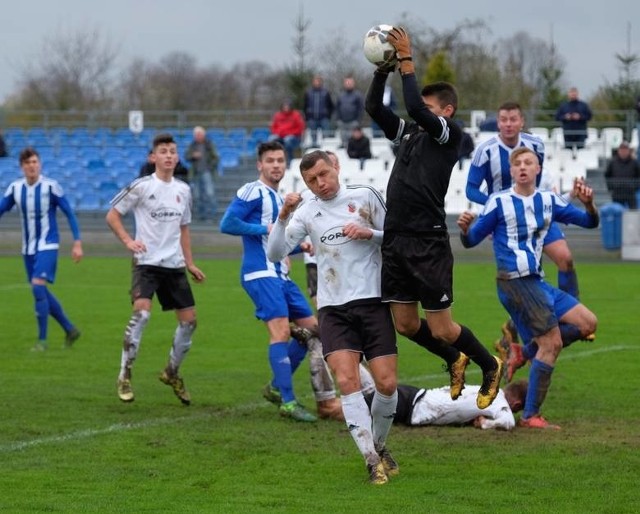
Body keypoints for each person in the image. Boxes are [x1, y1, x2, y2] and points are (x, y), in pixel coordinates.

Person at [365, 26, 503, 410]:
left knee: (443, 326)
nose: (422, 111)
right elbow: (375, 109)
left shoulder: (449, 135)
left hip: (427, 241)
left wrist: (407, 61)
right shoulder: (410, 133)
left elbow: (413, 107)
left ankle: (489, 364)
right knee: (406, 325)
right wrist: (382, 69)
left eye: (430, 107)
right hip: (395, 238)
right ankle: (452, 358)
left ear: (446, 111)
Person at [267, 150, 399, 485]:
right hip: (334, 309)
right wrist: (283, 217)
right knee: (347, 382)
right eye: (312, 180)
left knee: (386, 385)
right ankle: (371, 460)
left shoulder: (365, 196)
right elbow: (275, 252)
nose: (320, 184)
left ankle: (380, 445)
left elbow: (398, 237)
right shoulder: (307, 211)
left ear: (336, 167)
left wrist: (371, 234)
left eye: (324, 174)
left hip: (373, 303)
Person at [457, 147, 599, 429]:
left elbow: (590, 222)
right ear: (511, 171)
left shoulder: (548, 200)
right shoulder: (499, 202)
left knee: (587, 323)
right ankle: (531, 415)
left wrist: (589, 204)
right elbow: (471, 240)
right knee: (553, 343)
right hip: (514, 281)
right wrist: (464, 229)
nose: (522, 167)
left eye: (528, 162)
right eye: (517, 163)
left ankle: (523, 353)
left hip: (537, 281)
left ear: (538, 169)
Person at [219, 141, 337, 423]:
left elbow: (276, 242)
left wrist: (301, 247)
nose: (276, 165)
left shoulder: (279, 196)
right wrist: (265, 227)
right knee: (281, 332)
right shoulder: (252, 190)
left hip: (281, 276)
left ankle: (275, 386)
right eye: (270, 160)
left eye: (280, 160)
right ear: (260, 164)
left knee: (315, 332)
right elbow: (227, 223)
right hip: (260, 273)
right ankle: (287, 401)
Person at [466, 102, 584, 348]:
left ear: (521, 122)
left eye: (513, 119)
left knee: (565, 258)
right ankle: (521, 339)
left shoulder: (535, 145)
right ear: (498, 123)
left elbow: (537, 182)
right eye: (504, 120)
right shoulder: (485, 151)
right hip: (505, 222)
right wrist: (498, 208)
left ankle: (569, 317)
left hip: (537, 212)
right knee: (526, 278)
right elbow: (470, 189)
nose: (508, 124)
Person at [106, 133, 206, 405]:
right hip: (146, 263)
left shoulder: (184, 190)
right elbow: (112, 215)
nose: (169, 155)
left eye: (173, 151)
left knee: (189, 322)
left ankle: (172, 372)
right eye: (163, 151)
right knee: (142, 315)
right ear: (153, 157)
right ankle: (124, 374)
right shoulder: (141, 187)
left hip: (173, 265)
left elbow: (183, 229)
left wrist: (190, 263)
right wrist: (128, 241)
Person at [0, 147, 83, 351]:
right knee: (40, 290)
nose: (32, 166)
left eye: (35, 162)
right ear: (22, 167)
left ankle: (42, 341)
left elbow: (69, 213)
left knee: (37, 286)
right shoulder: (15, 188)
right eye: (28, 163)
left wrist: (77, 242)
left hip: (48, 243)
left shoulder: (51, 187)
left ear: (40, 164)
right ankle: (70, 329)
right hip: (27, 248)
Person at [185, 126, 219, 221]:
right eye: (196, 135)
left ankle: (212, 214)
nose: (198, 136)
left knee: (210, 193)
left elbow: (216, 158)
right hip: (195, 173)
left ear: (203, 135)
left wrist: (210, 166)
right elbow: (186, 156)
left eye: (199, 134)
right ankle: (201, 215)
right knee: (197, 195)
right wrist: (193, 155)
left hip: (207, 172)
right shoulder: (192, 145)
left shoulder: (209, 145)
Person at [268, 100, 305, 166]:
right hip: (280, 135)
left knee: (288, 140)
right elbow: (273, 127)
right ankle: (273, 159)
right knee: (271, 139)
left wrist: (288, 133)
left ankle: (289, 161)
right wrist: (278, 133)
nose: (286, 108)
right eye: (284, 107)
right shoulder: (277, 115)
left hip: (293, 137)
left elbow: (300, 128)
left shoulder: (296, 115)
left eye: (287, 107)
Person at [604, 141, 640, 208]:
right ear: (618, 151)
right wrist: (611, 187)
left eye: (625, 149)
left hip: (630, 192)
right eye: (622, 149)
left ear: (629, 151)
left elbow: (638, 176)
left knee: (633, 212)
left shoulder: (634, 163)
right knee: (617, 212)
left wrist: (635, 187)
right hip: (617, 192)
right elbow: (607, 175)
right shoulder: (612, 162)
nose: (624, 151)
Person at [303, 75, 334, 148]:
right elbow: (305, 105)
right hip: (312, 118)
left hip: (324, 118)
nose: (317, 83)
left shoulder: (326, 92)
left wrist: (328, 115)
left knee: (325, 135)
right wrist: (307, 116)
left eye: (318, 81)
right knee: (313, 135)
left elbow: (331, 105)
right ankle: (314, 148)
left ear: (321, 82)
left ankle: (325, 148)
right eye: (315, 81)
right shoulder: (308, 93)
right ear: (312, 82)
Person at [335, 76, 365, 148]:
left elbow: (361, 108)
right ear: (344, 83)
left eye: (350, 82)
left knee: (352, 140)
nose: (348, 84)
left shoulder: (358, 95)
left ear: (353, 83)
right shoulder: (340, 95)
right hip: (342, 122)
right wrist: (338, 119)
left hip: (353, 122)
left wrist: (358, 120)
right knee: (343, 139)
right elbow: (337, 108)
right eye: (347, 82)